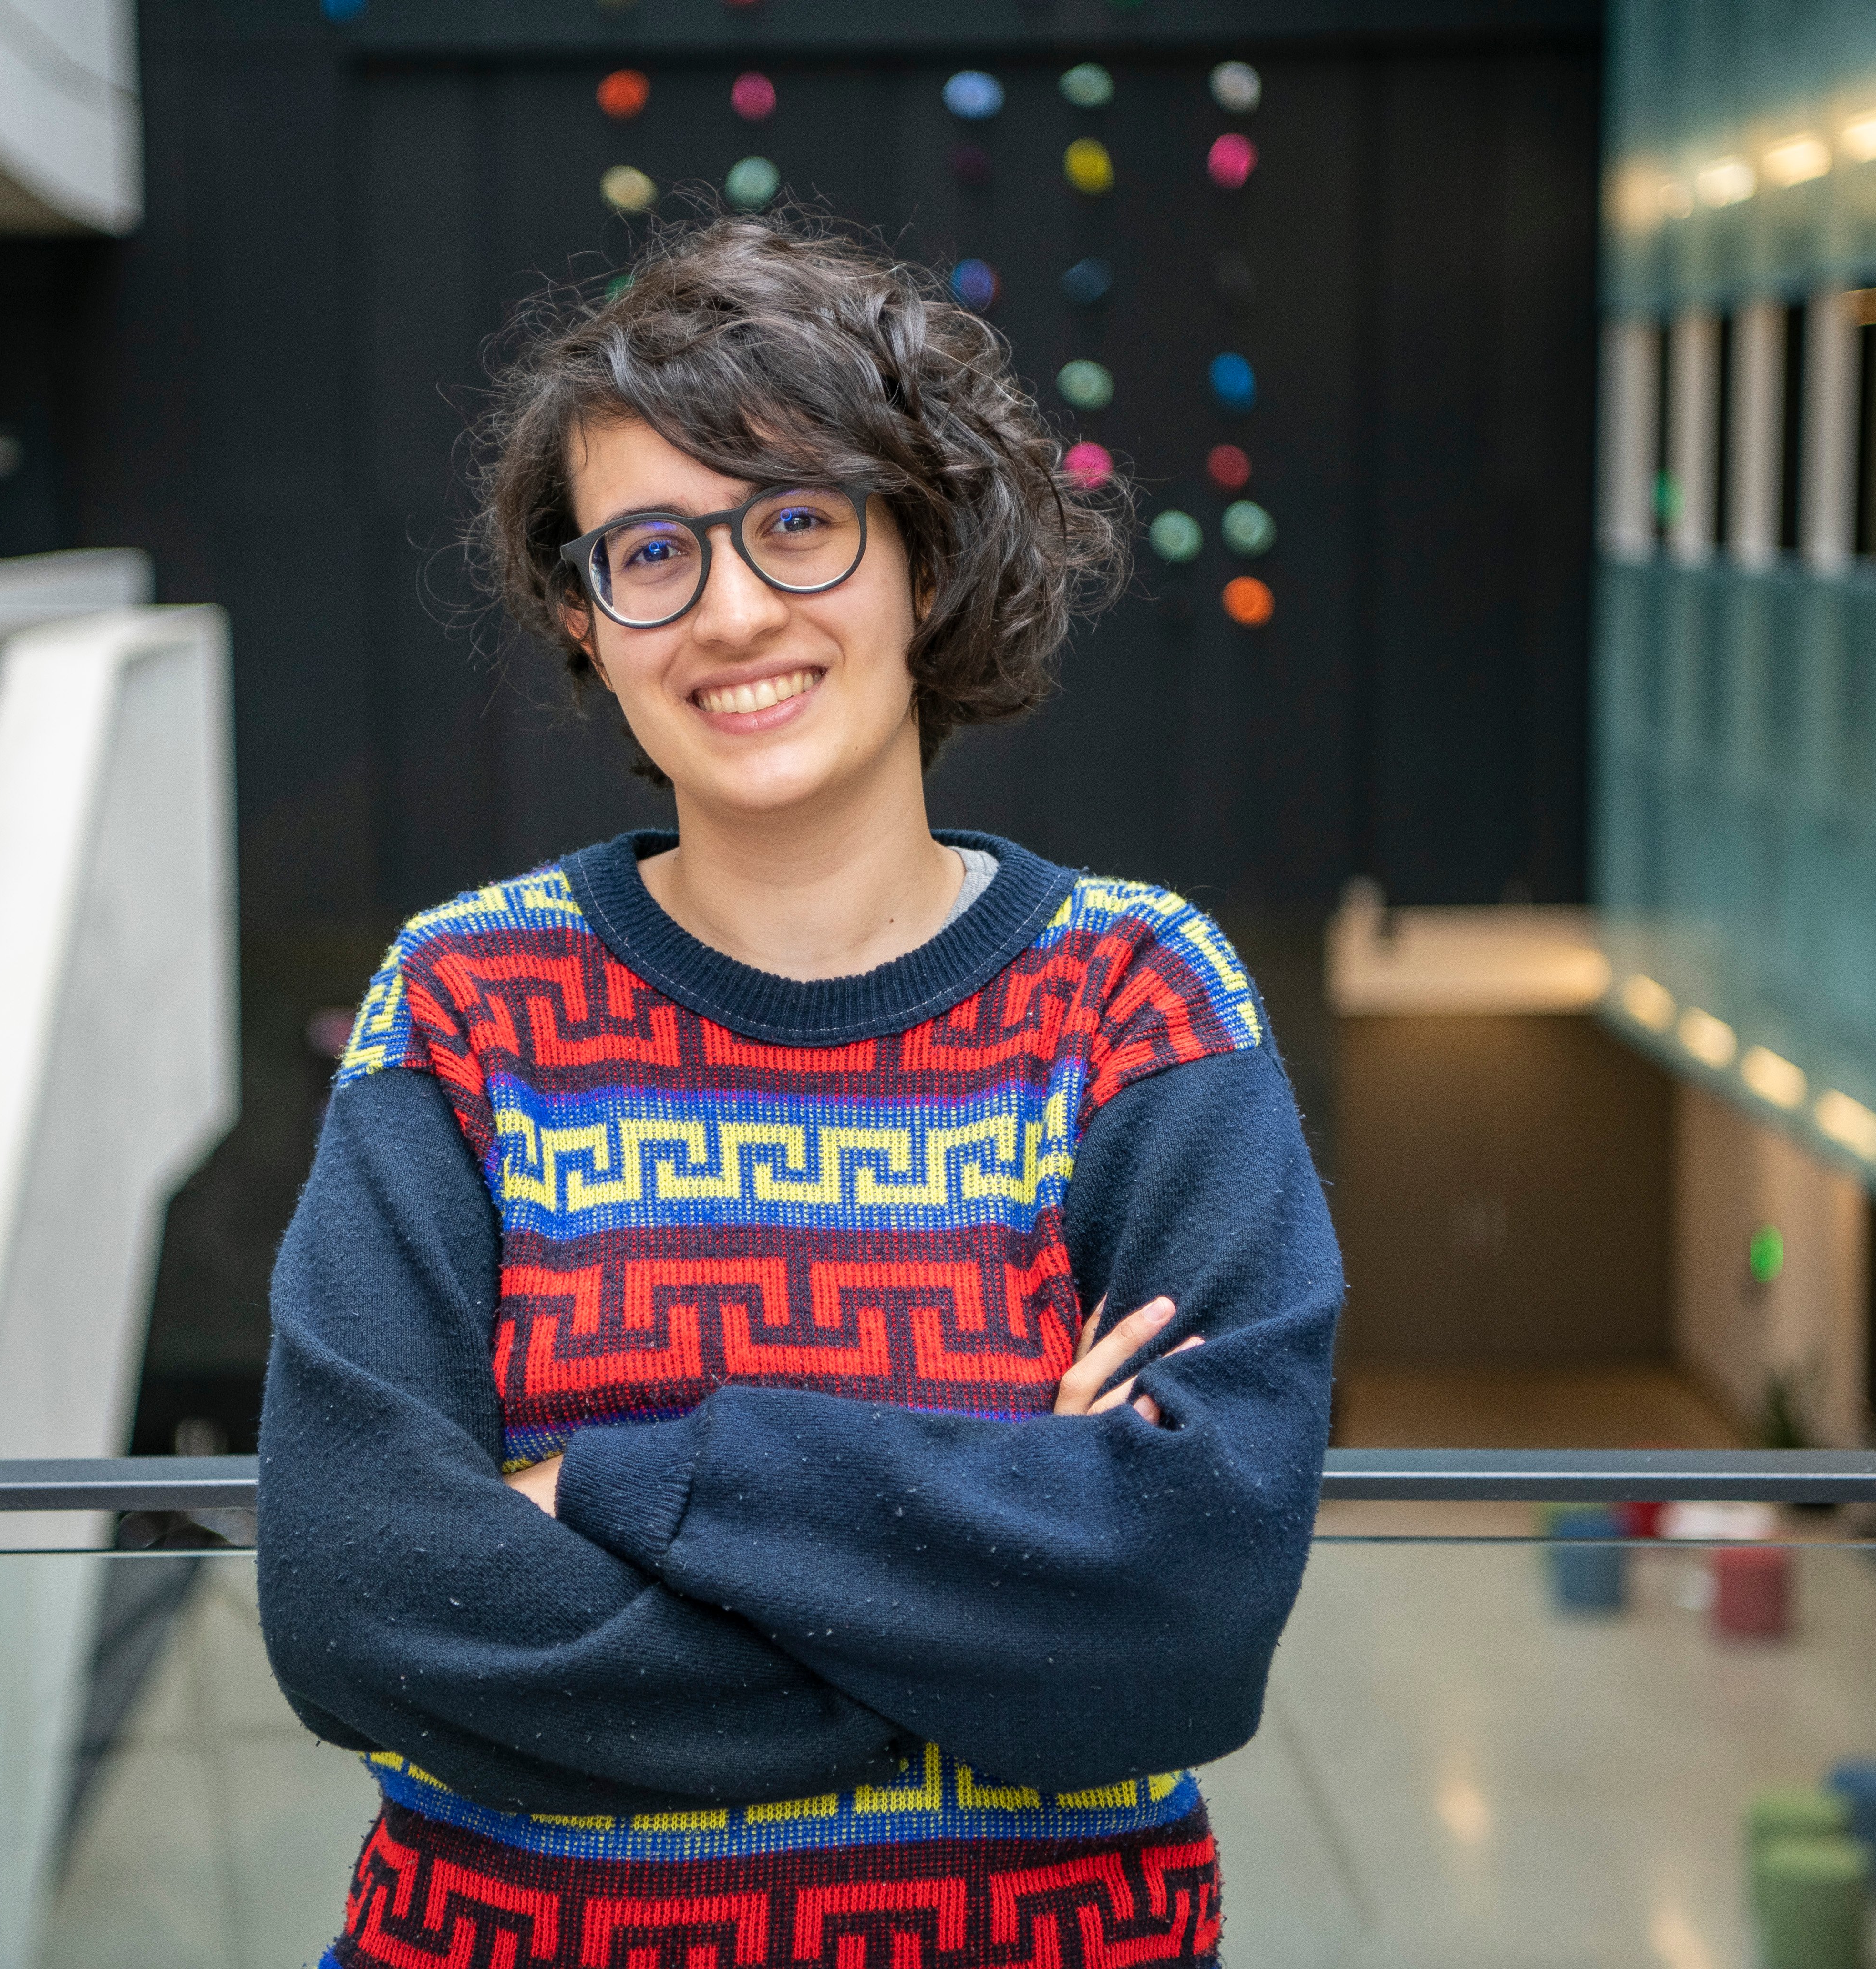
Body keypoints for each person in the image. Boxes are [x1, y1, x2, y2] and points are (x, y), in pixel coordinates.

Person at [259, 208, 1341, 1969]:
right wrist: (1000, 1621)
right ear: (585, 618)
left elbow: (1190, 1616)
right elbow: (360, 1602)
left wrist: (610, 1491)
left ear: (926, 552)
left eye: (798, 522)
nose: (734, 609)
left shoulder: (1140, 999)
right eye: (652, 552)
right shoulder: (464, 1005)